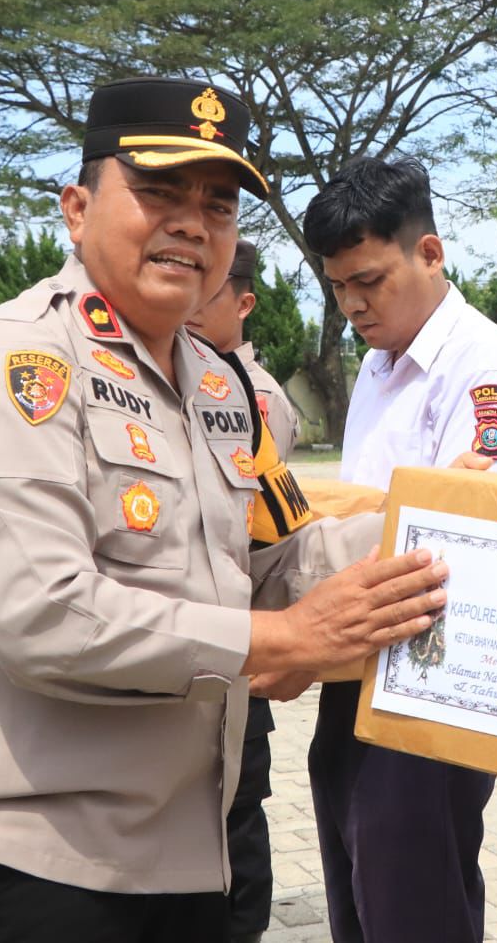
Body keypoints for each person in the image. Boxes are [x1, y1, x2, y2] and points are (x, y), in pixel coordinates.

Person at [0, 78, 451, 943]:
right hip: (33, 872)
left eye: (218, 207)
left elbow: (273, 563)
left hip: (188, 867)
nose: (192, 223)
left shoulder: (218, 384)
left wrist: (453, 536)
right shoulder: (15, 364)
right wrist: (288, 640)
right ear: (77, 208)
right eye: (158, 193)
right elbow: (44, 613)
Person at [302, 155, 497, 943]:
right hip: (358, 665)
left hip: (432, 680)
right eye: (338, 287)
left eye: (369, 280)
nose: (353, 305)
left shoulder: (487, 371)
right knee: (359, 900)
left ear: (430, 253)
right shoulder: (380, 367)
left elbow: (451, 547)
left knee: (414, 904)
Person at [185, 238, 301, 943]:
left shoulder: (255, 400)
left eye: (209, 295)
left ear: (243, 302)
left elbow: (272, 538)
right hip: (178, 656)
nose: (189, 309)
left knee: (237, 812)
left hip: (239, 651)